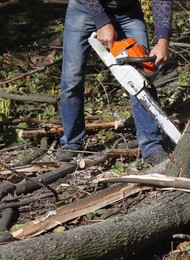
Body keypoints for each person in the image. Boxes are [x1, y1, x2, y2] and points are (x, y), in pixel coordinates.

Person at [58, 0, 172, 165]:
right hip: (83, 9)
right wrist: (101, 21)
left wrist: (163, 40)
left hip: (128, 13)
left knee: (142, 77)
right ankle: (72, 142)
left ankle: (151, 145)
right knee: (72, 79)